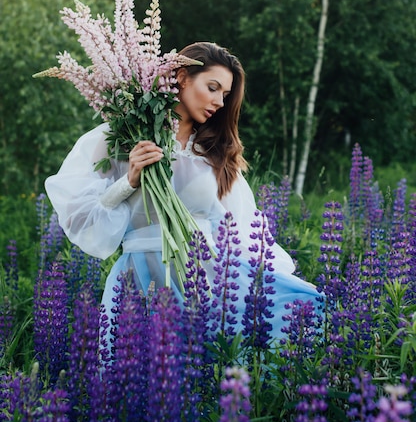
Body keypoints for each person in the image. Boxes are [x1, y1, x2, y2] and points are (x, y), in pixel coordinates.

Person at [45, 42, 320, 338]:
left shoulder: (215, 156)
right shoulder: (122, 138)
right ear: (182, 77)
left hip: (205, 281)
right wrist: (129, 181)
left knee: (306, 307)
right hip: (139, 278)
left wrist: (272, 276)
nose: (219, 102)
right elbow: (79, 215)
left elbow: (239, 228)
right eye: (212, 87)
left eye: (225, 95)